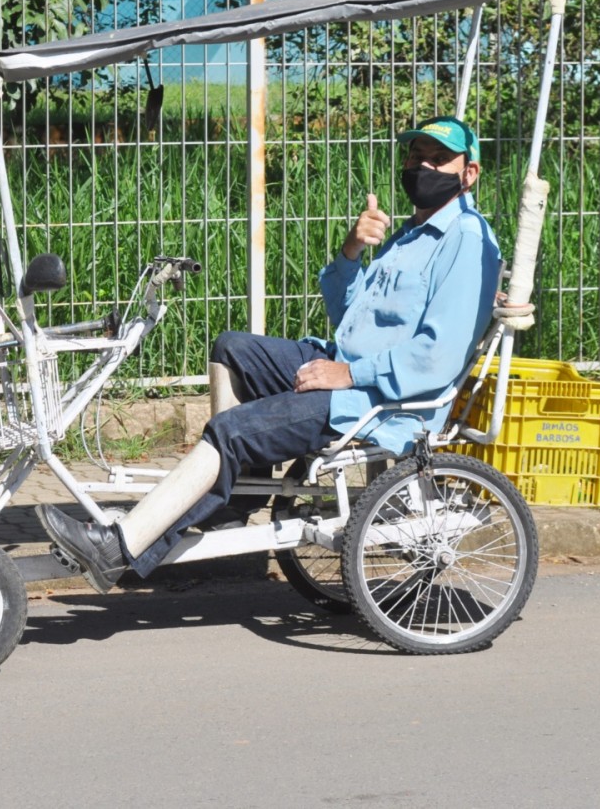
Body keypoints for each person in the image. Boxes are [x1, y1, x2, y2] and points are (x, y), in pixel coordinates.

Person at [38, 115, 503, 593]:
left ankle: (120, 548)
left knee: (232, 430)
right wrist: (350, 253)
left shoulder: (466, 240)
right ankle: (232, 503)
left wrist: (347, 373)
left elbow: (435, 359)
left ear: (469, 173)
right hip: (344, 365)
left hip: (381, 401)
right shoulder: (408, 232)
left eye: (439, 158)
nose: (421, 165)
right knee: (233, 349)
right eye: (414, 154)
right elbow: (348, 317)